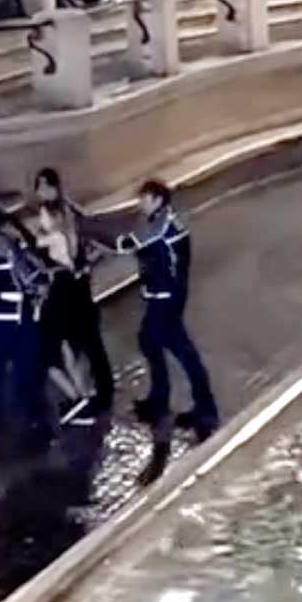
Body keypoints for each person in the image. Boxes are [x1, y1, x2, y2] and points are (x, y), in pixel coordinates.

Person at [103, 180, 219, 440]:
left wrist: (87, 230)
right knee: (152, 342)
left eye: (143, 199)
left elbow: (125, 244)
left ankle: (202, 411)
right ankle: (167, 400)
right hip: (162, 294)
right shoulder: (162, 220)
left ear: (157, 200)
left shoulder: (161, 225)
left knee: (178, 349)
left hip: (166, 297)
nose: (140, 205)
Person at [33, 168, 115, 413]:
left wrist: (81, 261)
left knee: (75, 339)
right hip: (72, 282)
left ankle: (86, 393)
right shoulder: (64, 211)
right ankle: (90, 390)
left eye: (44, 187)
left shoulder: (60, 214)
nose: (41, 192)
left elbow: (59, 247)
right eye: (39, 187)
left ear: (54, 188)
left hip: (67, 284)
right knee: (83, 338)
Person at [0, 207, 51, 441]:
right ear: (1, 226)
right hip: (17, 316)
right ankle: (33, 418)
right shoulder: (9, 248)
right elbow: (28, 278)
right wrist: (42, 286)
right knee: (26, 367)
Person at [34, 201, 97, 426]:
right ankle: (84, 397)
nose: (40, 222)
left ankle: (75, 398)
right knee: (67, 348)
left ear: (55, 218)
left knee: (46, 355)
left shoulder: (53, 239)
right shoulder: (67, 237)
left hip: (57, 297)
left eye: (43, 217)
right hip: (69, 294)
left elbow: (36, 251)